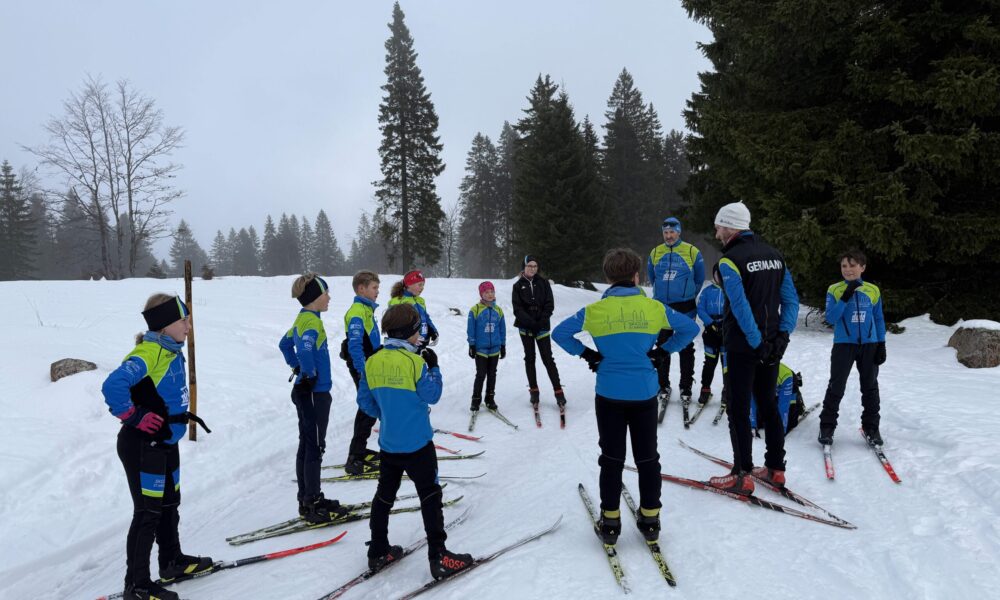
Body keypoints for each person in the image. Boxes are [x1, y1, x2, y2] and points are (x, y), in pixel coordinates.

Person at [553, 248, 699, 545]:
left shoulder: (594, 312)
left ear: (608, 278)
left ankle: (610, 523)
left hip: (609, 393)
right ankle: (650, 520)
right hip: (644, 393)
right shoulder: (655, 308)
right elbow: (690, 328)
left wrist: (588, 355)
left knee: (611, 459)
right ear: (637, 276)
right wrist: (663, 352)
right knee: (648, 458)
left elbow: (559, 333)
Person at [101, 294, 212, 600]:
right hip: (142, 446)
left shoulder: (171, 349)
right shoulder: (149, 352)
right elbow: (113, 385)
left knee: (168, 506)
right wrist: (134, 415)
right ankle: (135, 586)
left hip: (165, 443)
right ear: (164, 326)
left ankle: (171, 562)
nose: (189, 325)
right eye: (183, 320)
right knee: (147, 513)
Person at [357, 304, 473, 579]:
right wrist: (434, 367)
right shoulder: (415, 362)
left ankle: (378, 551)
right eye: (418, 330)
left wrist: (387, 414)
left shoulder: (372, 361)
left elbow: (365, 402)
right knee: (430, 496)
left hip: (389, 444)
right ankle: (439, 556)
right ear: (410, 332)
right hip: (418, 444)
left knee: (384, 496)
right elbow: (432, 394)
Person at [711, 202, 799, 495]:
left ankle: (742, 474)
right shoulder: (775, 255)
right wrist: (781, 337)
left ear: (731, 226)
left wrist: (756, 342)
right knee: (768, 403)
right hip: (772, 344)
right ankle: (776, 469)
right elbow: (791, 301)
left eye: (719, 226)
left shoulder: (729, 261)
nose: (716, 232)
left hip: (743, 345)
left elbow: (739, 306)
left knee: (738, 408)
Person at [278, 273, 347, 523]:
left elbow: (284, 345)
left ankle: (306, 498)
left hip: (306, 391)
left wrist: (297, 368)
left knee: (307, 445)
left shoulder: (303, 319)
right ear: (314, 298)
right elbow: (305, 347)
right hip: (314, 393)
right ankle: (313, 502)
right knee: (315, 447)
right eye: (325, 293)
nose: (329, 297)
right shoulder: (311, 323)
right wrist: (307, 373)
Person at [819, 249, 886, 445]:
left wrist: (881, 343)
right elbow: (831, 318)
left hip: (869, 345)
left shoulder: (873, 290)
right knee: (836, 386)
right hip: (843, 345)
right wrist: (846, 295)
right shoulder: (834, 289)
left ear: (862, 267)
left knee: (870, 387)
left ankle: (871, 428)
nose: (847, 270)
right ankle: (827, 427)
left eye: (852, 265)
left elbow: (879, 318)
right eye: (844, 266)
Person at [647, 217, 705, 404]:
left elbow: (699, 278)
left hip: (685, 306)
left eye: (672, 232)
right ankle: (663, 384)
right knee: (663, 344)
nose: (669, 236)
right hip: (662, 306)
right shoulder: (655, 252)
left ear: (679, 232)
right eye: (666, 232)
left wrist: (687, 294)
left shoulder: (691, 251)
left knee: (686, 347)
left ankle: (685, 386)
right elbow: (652, 277)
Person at [340, 270, 383, 475]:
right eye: (374, 288)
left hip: (369, 363)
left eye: (377, 288)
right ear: (361, 289)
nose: (377, 292)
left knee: (368, 408)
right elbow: (355, 345)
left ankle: (359, 450)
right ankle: (354, 458)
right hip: (362, 366)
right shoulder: (357, 311)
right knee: (368, 407)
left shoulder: (366, 309)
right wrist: (363, 370)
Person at [512, 255, 566, 407]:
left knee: (548, 358)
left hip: (542, 326)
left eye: (535, 266)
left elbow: (549, 304)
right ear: (524, 267)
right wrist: (530, 323)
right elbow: (517, 309)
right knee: (530, 358)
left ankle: (558, 392)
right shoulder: (517, 286)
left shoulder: (543, 283)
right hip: (526, 328)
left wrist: (541, 321)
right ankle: (534, 391)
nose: (533, 269)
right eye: (530, 266)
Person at [467, 281, 507, 412]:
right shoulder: (475, 310)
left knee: (492, 374)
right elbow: (471, 329)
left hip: (495, 348)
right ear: (481, 294)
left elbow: (502, 329)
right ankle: (476, 400)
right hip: (481, 348)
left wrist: (503, 345)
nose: (490, 294)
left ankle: (490, 399)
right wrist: (472, 345)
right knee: (481, 374)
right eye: (486, 292)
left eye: (492, 292)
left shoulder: (498, 310)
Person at [696, 263, 726, 404]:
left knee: (727, 363)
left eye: (721, 274)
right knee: (709, 362)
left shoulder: (731, 290)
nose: (719, 276)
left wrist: (727, 324)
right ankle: (705, 389)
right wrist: (710, 323)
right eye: (716, 274)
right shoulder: (707, 291)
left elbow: (737, 308)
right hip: (711, 332)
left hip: (727, 332)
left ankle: (728, 390)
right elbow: (700, 309)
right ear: (714, 275)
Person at [388, 270, 438, 349]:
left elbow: (425, 317)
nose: (422, 288)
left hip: (421, 342)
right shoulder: (398, 301)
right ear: (409, 285)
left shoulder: (420, 300)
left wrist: (433, 330)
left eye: (423, 285)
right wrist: (409, 339)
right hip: (406, 345)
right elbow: (393, 326)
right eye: (420, 285)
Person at [749, 362, 803, 434]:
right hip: (768, 393)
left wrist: (781, 430)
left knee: (790, 422)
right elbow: (751, 400)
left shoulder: (785, 375)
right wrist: (753, 426)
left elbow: (784, 405)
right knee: (761, 421)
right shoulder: (751, 374)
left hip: (787, 389)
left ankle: (798, 401)